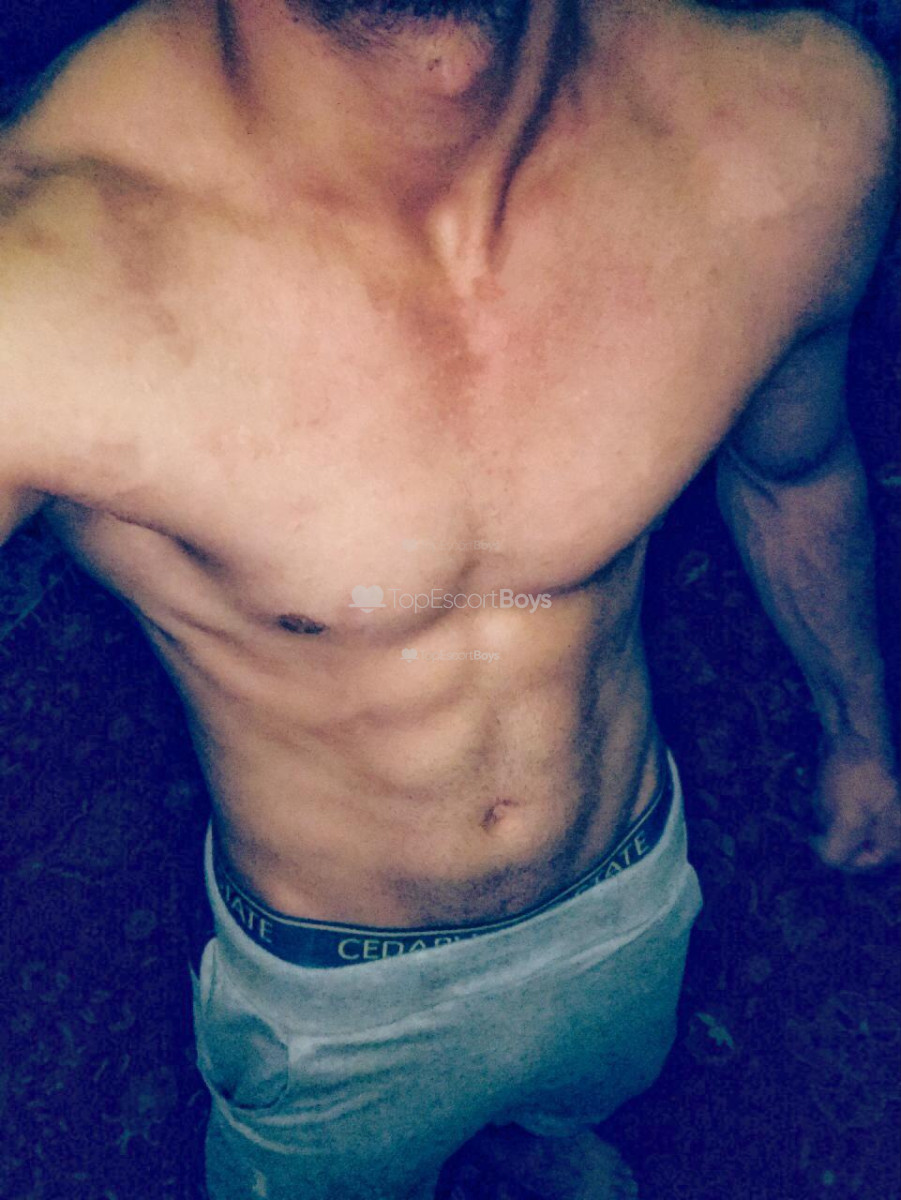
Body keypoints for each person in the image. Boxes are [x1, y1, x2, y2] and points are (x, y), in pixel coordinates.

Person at [0, 0, 897, 1195]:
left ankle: (544, 1144)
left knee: (579, 1119)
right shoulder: (37, 277)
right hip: (336, 1000)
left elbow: (794, 473)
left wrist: (859, 735)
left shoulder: (782, 133)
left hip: (626, 900)